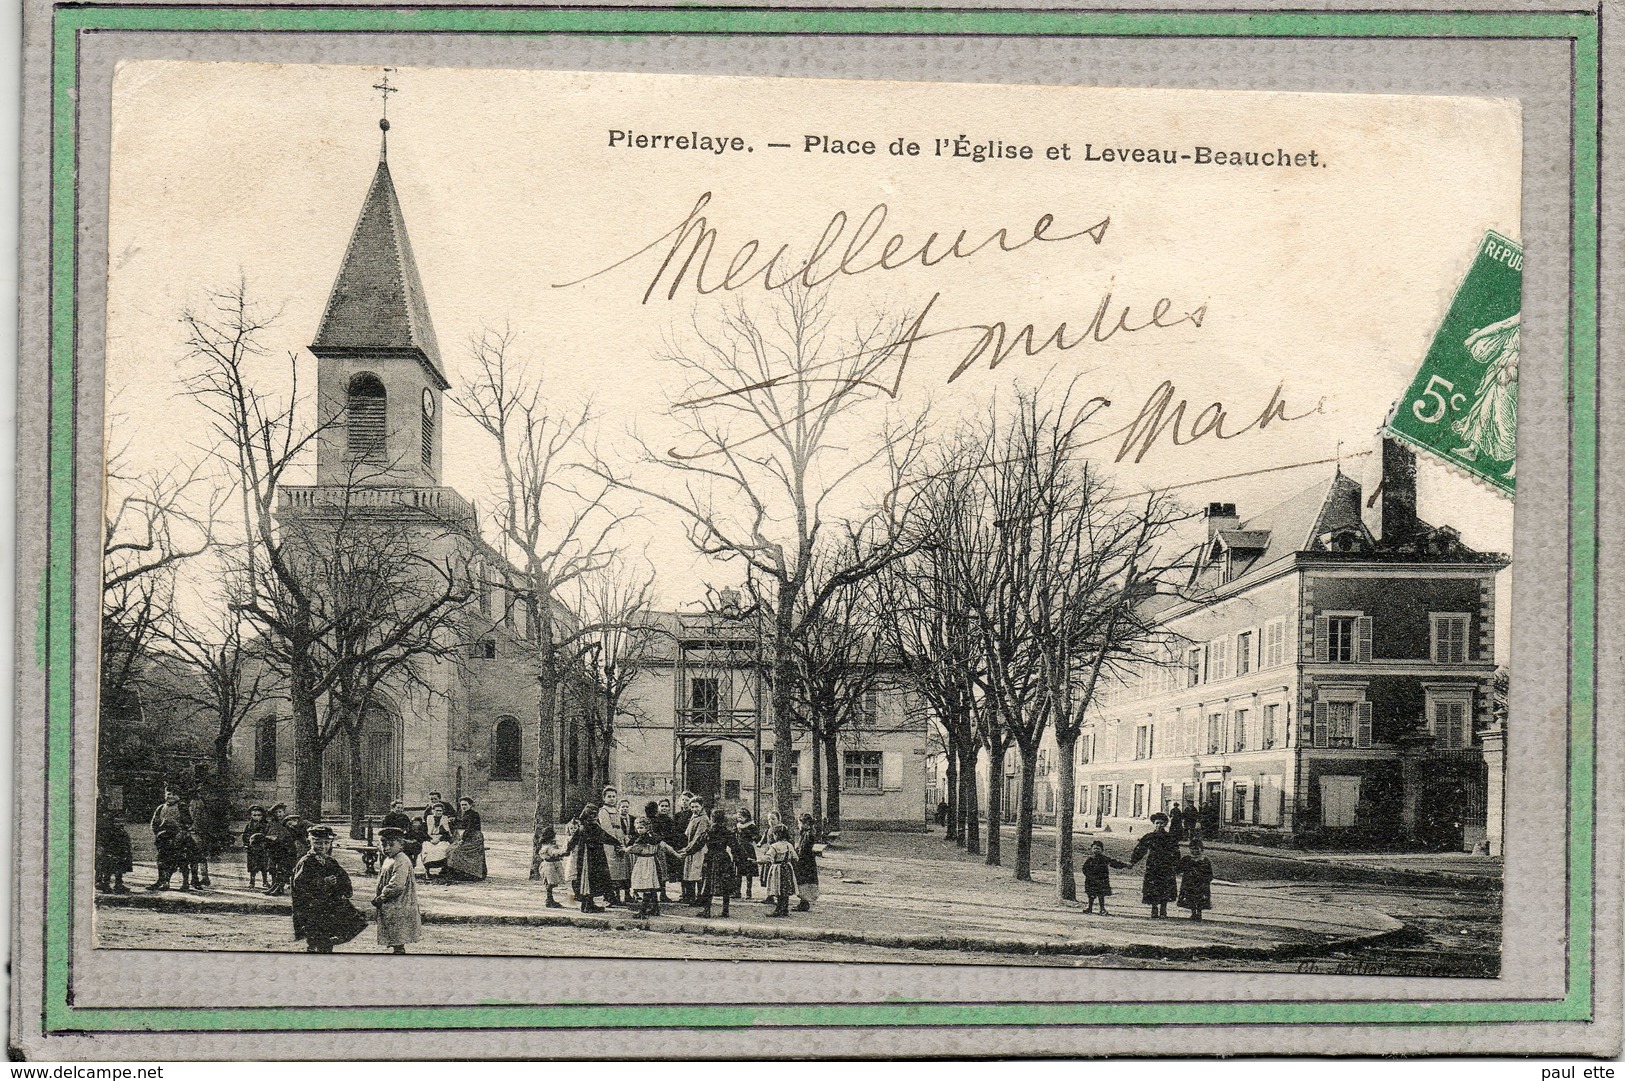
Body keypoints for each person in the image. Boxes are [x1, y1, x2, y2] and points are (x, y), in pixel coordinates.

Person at [291, 824, 368, 953]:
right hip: (312, 908)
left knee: (328, 938)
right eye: (318, 843)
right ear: (309, 841)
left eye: (327, 843)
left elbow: (343, 877)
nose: (323, 846)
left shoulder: (330, 861)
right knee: (315, 937)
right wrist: (322, 882)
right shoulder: (306, 862)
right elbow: (299, 884)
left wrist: (344, 890)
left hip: (328, 908)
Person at [372, 827, 422, 954]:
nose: (387, 848)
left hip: (399, 903)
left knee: (398, 933)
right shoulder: (390, 858)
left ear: (401, 845)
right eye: (383, 844)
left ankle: (399, 953)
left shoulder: (401, 860)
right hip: (393, 904)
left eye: (391, 845)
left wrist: (383, 896)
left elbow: (397, 884)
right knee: (393, 933)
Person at [685, 808, 741, 919]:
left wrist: (685, 852)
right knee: (726, 884)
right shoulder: (728, 833)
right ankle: (725, 911)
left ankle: (707, 911)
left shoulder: (708, 833)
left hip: (710, 859)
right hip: (724, 858)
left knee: (708, 884)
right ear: (723, 820)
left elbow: (696, 846)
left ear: (712, 819)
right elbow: (736, 847)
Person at [1126, 812, 1181, 918]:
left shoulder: (1170, 838)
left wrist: (1176, 866)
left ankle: (1163, 911)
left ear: (1165, 824)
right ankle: (1154, 909)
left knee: (1165, 887)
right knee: (1153, 887)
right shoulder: (1149, 837)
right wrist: (1133, 862)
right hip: (1153, 865)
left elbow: (1176, 853)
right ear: (1154, 824)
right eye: (1157, 823)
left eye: (1161, 823)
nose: (1159, 825)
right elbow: (1140, 850)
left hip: (1166, 865)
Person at [626, 817, 682, 917]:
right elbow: (665, 846)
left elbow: (634, 849)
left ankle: (643, 911)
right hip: (647, 862)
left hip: (647, 862)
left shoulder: (645, 839)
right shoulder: (648, 837)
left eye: (642, 827)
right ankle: (655, 909)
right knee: (651, 885)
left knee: (647, 885)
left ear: (647, 828)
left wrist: (624, 849)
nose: (639, 830)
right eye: (638, 828)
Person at [564, 804, 615, 913]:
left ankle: (588, 903)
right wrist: (617, 843)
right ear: (587, 816)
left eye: (595, 815)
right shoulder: (592, 827)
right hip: (591, 857)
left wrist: (567, 850)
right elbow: (605, 836)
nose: (594, 817)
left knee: (588, 879)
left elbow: (573, 840)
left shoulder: (583, 826)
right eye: (592, 815)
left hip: (588, 856)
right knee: (590, 879)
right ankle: (587, 905)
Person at [146, 787, 191, 891]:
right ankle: (162, 881)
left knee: (182, 860)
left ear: (178, 796)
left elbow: (188, 822)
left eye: (173, 794)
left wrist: (181, 833)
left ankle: (185, 883)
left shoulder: (181, 807)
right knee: (162, 860)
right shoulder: (161, 807)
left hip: (179, 838)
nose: (170, 796)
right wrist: (157, 833)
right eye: (168, 794)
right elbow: (154, 822)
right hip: (164, 838)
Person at [442, 796, 488, 881]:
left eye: (465, 805)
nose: (464, 807)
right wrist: (451, 822)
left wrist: (462, 839)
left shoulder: (474, 814)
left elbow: (470, 828)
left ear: (470, 805)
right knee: (450, 849)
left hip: (474, 838)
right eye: (462, 805)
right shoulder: (460, 813)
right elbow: (457, 824)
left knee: (457, 850)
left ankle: (470, 873)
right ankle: (457, 872)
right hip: (464, 836)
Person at [597, 788, 629, 905]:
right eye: (609, 796)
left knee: (620, 869)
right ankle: (609, 897)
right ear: (604, 798)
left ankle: (617, 895)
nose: (611, 799)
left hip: (619, 839)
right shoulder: (603, 811)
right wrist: (614, 842)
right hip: (610, 842)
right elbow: (607, 828)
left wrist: (623, 840)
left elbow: (620, 827)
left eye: (614, 796)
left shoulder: (615, 810)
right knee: (611, 869)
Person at [758, 824, 798, 917]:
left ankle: (779, 909)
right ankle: (785, 909)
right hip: (787, 868)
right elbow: (795, 857)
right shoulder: (789, 845)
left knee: (778, 888)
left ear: (776, 835)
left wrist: (758, 861)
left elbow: (768, 858)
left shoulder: (774, 846)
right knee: (785, 889)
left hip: (777, 869)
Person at [1081, 840, 1128, 915]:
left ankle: (1102, 909)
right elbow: (1084, 869)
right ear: (1091, 849)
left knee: (1101, 895)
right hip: (1091, 880)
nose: (1096, 850)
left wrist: (1124, 865)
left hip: (1102, 880)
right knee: (1091, 895)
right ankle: (1089, 908)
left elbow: (1114, 863)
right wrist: (1089, 875)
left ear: (1102, 850)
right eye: (1094, 848)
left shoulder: (1104, 859)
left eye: (1098, 849)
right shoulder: (1089, 860)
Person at [95, 803, 132, 894]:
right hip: (111, 853)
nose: (120, 824)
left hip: (121, 853)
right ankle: (105, 884)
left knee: (120, 869)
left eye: (122, 822)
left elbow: (126, 842)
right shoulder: (109, 831)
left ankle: (118, 884)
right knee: (108, 868)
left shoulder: (122, 832)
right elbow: (105, 842)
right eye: (117, 822)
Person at [1177, 838, 1215, 921]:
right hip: (1189, 883)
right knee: (1190, 897)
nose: (1194, 851)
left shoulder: (1204, 861)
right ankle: (1193, 912)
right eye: (1192, 849)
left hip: (1200, 883)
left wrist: (1206, 880)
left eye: (1197, 849)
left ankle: (1199, 912)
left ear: (1201, 850)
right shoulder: (1187, 859)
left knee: (1200, 898)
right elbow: (1179, 869)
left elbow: (1209, 874)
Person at [681, 798, 709, 905]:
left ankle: (700, 897)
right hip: (691, 848)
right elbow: (687, 834)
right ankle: (690, 897)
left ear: (702, 806)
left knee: (698, 874)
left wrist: (688, 850)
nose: (694, 809)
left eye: (697, 807)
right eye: (692, 807)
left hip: (699, 849)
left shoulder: (703, 819)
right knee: (691, 873)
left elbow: (698, 837)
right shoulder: (693, 817)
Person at [262, 803, 294, 895]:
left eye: (280, 812)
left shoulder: (287, 823)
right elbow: (267, 833)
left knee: (282, 869)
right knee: (273, 869)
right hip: (274, 849)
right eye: (276, 813)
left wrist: (279, 839)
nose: (278, 814)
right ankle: (274, 886)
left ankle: (280, 888)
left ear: (284, 812)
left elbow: (289, 836)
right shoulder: (272, 823)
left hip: (285, 849)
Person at [792, 813, 821, 912]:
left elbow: (804, 849)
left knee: (804, 880)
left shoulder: (808, 835)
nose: (798, 825)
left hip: (805, 861)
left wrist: (796, 854)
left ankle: (804, 902)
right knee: (805, 880)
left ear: (805, 823)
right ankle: (803, 902)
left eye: (799, 823)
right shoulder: (806, 833)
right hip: (808, 861)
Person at [533, 825, 566, 908]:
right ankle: (549, 899)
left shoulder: (543, 846)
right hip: (550, 866)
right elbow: (554, 852)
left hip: (546, 865)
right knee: (551, 882)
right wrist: (563, 852)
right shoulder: (549, 847)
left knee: (549, 882)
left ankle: (549, 898)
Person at [187, 791, 214, 888]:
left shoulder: (196, 803)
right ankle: (204, 877)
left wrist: (192, 828)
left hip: (196, 832)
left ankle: (196, 878)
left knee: (195, 856)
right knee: (201, 856)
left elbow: (195, 818)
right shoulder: (201, 802)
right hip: (201, 832)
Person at [242, 805, 272, 889]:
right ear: (251, 816)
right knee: (252, 866)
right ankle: (252, 881)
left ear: (263, 816)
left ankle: (265, 881)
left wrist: (266, 844)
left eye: (259, 815)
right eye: (254, 815)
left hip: (263, 849)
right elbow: (245, 836)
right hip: (252, 849)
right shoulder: (249, 826)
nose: (257, 817)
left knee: (264, 866)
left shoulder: (266, 825)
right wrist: (246, 844)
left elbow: (267, 835)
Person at [732, 808, 759, 900]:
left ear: (747, 817)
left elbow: (756, 837)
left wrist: (747, 833)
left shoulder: (751, 826)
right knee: (737, 872)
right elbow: (733, 835)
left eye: (741, 817)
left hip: (748, 850)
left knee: (748, 872)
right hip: (738, 850)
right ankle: (737, 891)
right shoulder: (737, 826)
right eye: (738, 817)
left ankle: (748, 892)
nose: (739, 819)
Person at [419, 802, 453, 877]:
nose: (438, 812)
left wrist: (440, 838)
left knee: (443, 848)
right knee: (426, 848)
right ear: (432, 811)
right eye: (436, 810)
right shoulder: (429, 818)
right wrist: (430, 839)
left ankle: (444, 869)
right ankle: (427, 870)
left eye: (440, 811)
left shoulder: (445, 819)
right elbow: (425, 832)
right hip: (430, 838)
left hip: (441, 839)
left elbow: (447, 833)